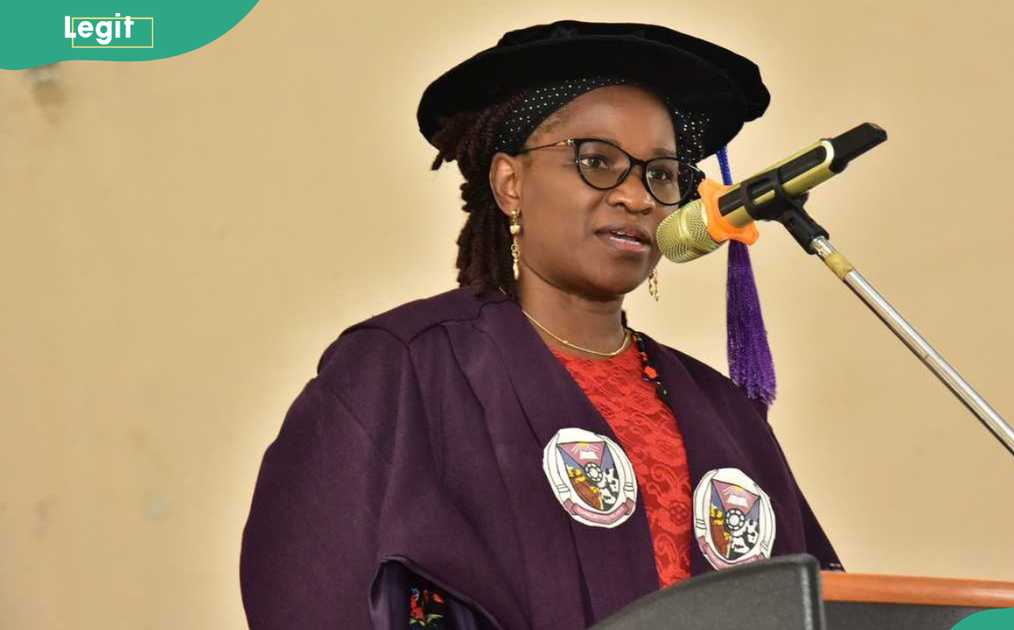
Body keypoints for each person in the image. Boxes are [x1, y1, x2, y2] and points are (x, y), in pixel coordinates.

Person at [240, 19, 842, 630]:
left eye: (660, 175)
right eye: (597, 161)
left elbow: (829, 605)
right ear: (510, 184)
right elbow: (306, 590)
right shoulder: (402, 371)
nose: (636, 196)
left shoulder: (721, 410)